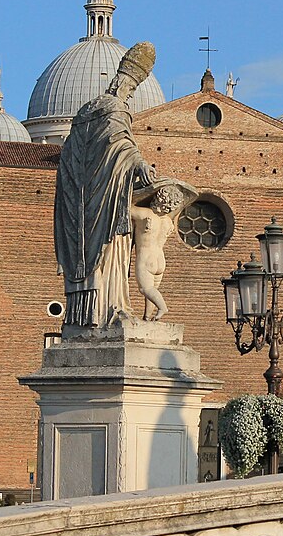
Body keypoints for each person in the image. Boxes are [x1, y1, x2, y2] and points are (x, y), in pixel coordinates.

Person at [55, 41, 158, 327]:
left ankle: (86, 313)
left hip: (82, 198)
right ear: (127, 85)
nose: (131, 93)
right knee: (112, 251)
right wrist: (139, 164)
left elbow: (74, 154)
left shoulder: (85, 111)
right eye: (132, 89)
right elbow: (120, 143)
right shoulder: (116, 109)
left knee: (92, 253)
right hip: (107, 203)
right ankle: (112, 307)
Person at [130, 180, 196, 321]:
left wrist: (141, 192)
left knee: (145, 289)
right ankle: (147, 317)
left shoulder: (145, 214)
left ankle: (162, 307)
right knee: (153, 290)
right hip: (160, 260)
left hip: (147, 259)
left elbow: (124, 207)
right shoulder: (168, 222)